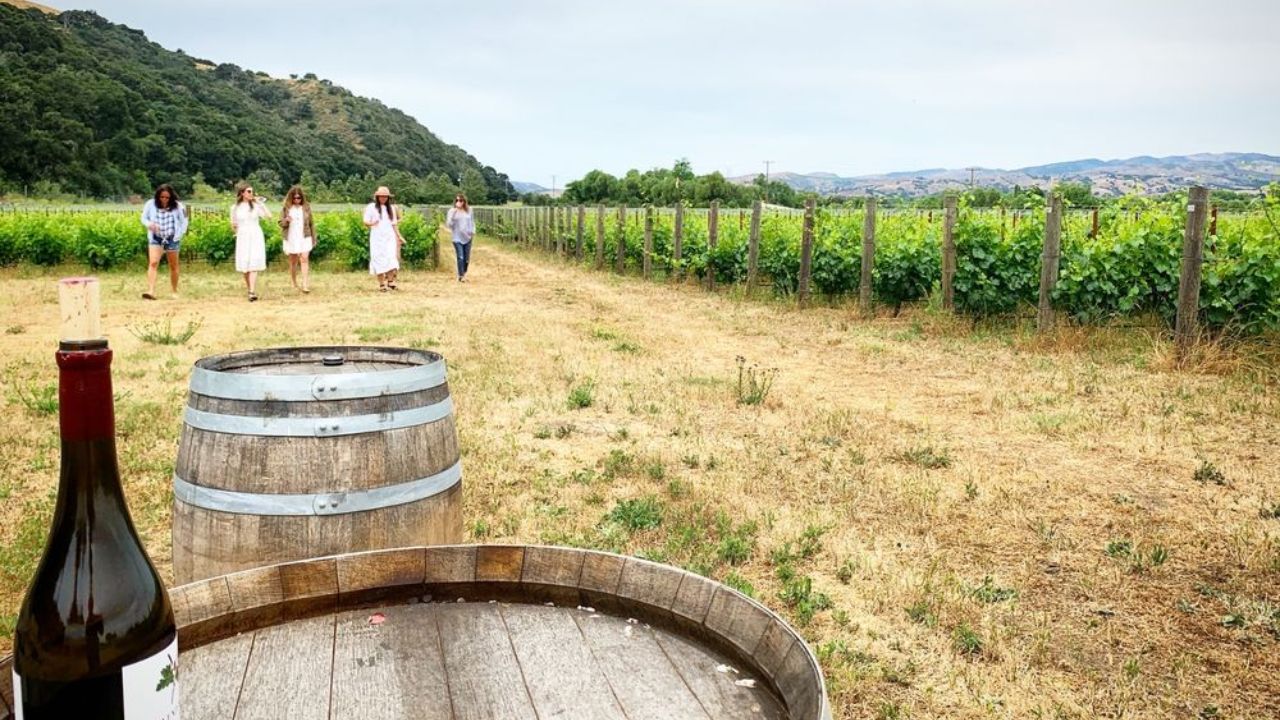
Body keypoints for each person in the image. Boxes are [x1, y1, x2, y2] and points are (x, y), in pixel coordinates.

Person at [140, 183, 189, 299]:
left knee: (173, 265)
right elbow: (143, 218)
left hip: (172, 238)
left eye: (167, 197)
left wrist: (180, 234)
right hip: (156, 237)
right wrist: (149, 224)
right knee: (153, 262)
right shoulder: (150, 204)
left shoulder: (178, 206)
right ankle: (151, 290)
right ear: (158, 196)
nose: (164, 200)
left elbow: (184, 221)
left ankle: (174, 290)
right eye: (162, 197)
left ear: (171, 197)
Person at [231, 183, 271, 301]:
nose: (251, 193)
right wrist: (235, 228)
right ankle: (250, 289)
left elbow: (268, 216)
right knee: (245, 265)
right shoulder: (235, 208)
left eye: (252, 191)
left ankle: (252, 291)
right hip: (243, 235)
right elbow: (233, 223)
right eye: (248, 191)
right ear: (242, 193)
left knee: (253, 262)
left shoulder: (255, 206)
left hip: (255, 234)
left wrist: (261, 204)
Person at [363, 186, 402, 291]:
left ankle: (390, 281)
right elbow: (365, 221)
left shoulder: (392, 209)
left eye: (385, 197)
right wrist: (372, 223)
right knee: (378, 258)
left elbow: (394, 224)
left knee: (390, 257)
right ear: (377, 197)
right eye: (381, 196)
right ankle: (381, 284)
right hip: (377, 237)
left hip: (389, 237)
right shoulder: (371, 207)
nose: (383, 198)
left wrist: (399, 236)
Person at [279, 185, 315, 293]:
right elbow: (280, 223)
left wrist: (314, 237)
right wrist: (286, 220)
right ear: (291, 198)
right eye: (294, 198)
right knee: (293, 261)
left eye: (298, 197)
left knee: (304, 258)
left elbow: (311, 223)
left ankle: (305, 284)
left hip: (305, 236)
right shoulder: (286, 208)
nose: (296, 200)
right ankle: (294, 282)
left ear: (302, 197)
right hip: (291, 236)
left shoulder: (307, 207)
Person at [445, 193, 475, 282]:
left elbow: (472, 222)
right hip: (457, 237)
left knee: (466, 259)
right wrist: (454, 214)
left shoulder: (469, 210)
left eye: (460, 200)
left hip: (467, 237)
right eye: (457, 200)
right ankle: (461, 276)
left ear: (464, 201)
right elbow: (449, 224)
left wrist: (473, 232)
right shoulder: (452, 211)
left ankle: (464, 273)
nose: (459, 202)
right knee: (460, 257)